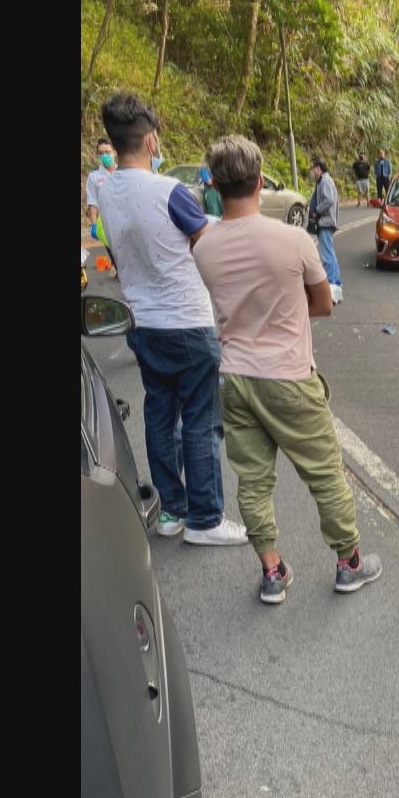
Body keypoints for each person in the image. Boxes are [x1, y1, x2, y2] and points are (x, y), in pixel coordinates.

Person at [192, 135, 383, 605]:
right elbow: (322, 304)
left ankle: (273, 573)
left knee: (253, 481)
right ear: (260, 182)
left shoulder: (203, 248)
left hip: (234, 378)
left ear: (213, 185)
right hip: (290, 376)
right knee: (324, 475)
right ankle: (349, 564)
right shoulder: (294, 240)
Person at [95, 92, 250, 547]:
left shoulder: (104, 190)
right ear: (151, 140)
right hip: (187, 321)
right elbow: (210, 245)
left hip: (142, 325)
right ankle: (206, 519)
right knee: (200, 420)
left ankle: (171, 513)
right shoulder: (170, 191)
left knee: (160, 417)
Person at [307, 160, 342, 304]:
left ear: (319, 168)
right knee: (330, 254)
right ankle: (336, 285)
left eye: (313, 168)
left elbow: (328, 200)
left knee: (327, 256)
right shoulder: (322, 181)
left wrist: (316, 210)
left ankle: (332, 283)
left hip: (326, 222)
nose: (311, 171)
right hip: (326, 222)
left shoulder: (325, 181)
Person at [85, 138, 114, 229]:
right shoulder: (93, 177)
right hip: (106, 225)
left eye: (107, 152)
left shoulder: (123, 172)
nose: (104, 155)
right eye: (101, 153)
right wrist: (94, 224)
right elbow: (92, 201)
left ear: (115, 152)